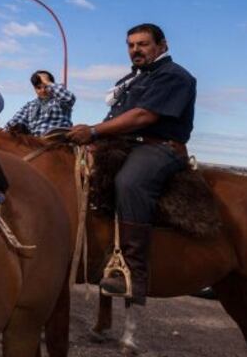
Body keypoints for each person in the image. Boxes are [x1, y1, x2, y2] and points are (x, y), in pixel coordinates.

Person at [68, 23, 195, 306]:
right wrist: (92, 141)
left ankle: (133, 273)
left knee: (130, 182)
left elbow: (142, 117)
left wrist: (94, 131)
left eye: (143, 44)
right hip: (125, 145)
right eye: (131, 45)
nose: (135, 50)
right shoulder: (133, 78)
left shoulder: (175, 76)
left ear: (162, 46)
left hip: (159, 147)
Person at [4, 70, 75, 136]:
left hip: (58, 140)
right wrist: (3, 131)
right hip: (35, 143)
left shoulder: (59, 100)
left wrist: (47, 82)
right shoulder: (30, 106)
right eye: (38, 87)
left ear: (51, 85)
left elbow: (69, 98)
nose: (43, 90)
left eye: (46, 87)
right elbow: (15, 121)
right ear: (34, 88)